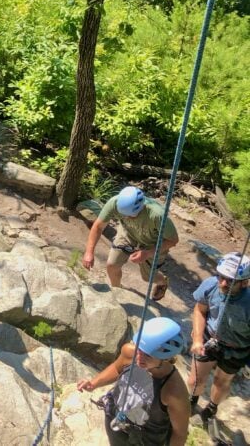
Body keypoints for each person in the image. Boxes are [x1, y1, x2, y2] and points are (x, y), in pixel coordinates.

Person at [77, 317, 190, 445]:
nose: (139, 358)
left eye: (147, 355)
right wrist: (93, 384)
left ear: (166, 358)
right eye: (139, 350)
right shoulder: (130, 353)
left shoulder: (173, 391)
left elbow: (179, 433)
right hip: (115, 419)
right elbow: (116, 368)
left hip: (144, 440)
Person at [82, 186, 179, 301]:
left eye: (129, 215)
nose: (125, 217)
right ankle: (117, 292)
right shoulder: (114, 203)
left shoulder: (157, 215)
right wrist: (89, 252)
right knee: (112, 265)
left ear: (141, 208)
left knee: (147, 277)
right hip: (127, 234)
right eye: (123, 214)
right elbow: (98, 226)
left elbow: (173, 240)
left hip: (152, 243)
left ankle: (162, 282)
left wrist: (148, 253)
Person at [186, 252, 250, 422]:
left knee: (221, 382)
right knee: (194, 380)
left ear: (244, 282)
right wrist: (198, 338)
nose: (223, 283)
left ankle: (212, 408)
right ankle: (192, 400)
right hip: (210, 337)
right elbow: (200, 309)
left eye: (230, 281)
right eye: (221, 277)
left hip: (237, 348)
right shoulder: (211, 285)